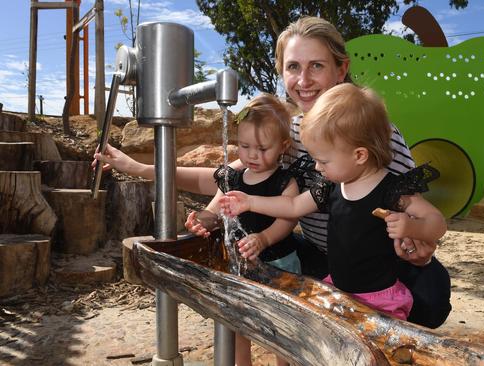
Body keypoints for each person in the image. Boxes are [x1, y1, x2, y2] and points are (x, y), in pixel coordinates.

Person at [93, 16, 449, 328]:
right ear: (281, 72)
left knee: (427, 299)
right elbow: (223, 178)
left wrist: (419, 242)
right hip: (324, 260)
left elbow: (414, 214)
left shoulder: (376, 132)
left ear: (341, 70)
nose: (303, 79)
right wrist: (141, 168)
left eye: (317, 66)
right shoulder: (290, 133)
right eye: (293, 66)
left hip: (377, 267)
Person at [219, 84, 447, 320]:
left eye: (323, 161)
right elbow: (293, 206)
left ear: (359, 155)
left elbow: (437, 222)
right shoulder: (331, 186)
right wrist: (249, 202)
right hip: (339, 291)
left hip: (379, 298)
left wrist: (412, 228)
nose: (317, 167)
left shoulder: (391, 190)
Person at [186, 94, 298, 366]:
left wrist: (264, 238)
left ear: (283, 146)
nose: (252, 155)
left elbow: (288, 219)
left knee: (279, 325)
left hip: (278, 261)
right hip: (238, 264)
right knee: (237, 322)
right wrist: (202, 221)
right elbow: (219, 212)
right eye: (245, 146)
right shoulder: (234, 178)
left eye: (262, 148)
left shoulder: (284, 181)